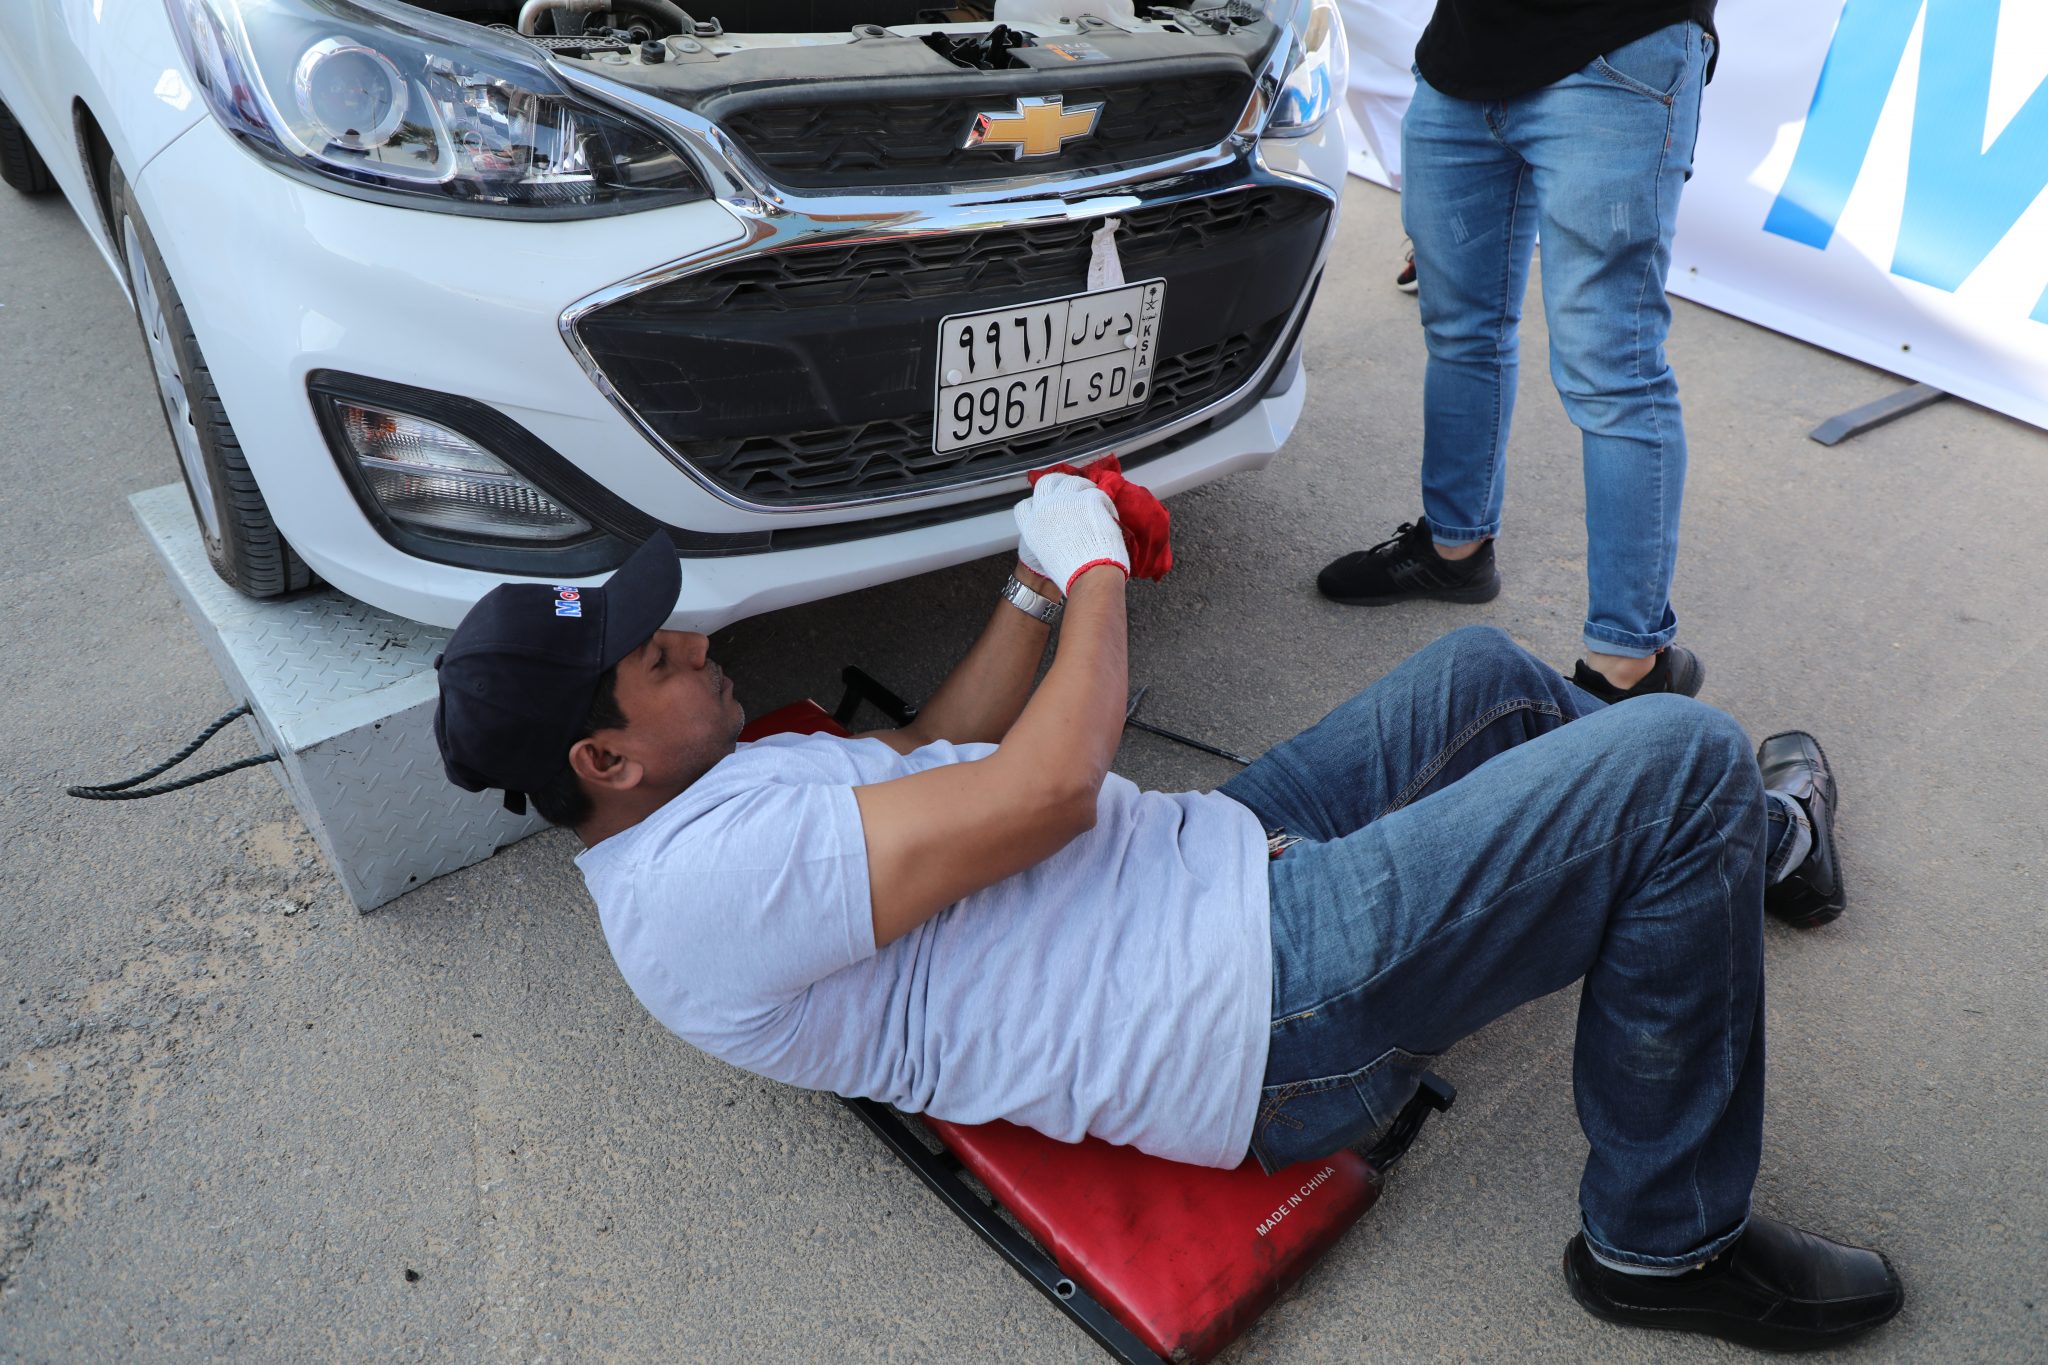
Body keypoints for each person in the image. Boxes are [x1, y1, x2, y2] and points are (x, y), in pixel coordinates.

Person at [433, 479, 1892, 1350]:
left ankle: (1731, 850)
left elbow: (939, 744)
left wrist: (1026, 576)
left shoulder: (703, 794)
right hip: (1264, 1020)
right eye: (656, 658)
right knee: (1673, 755)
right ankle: (1663, 1240)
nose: (693, 640)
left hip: (1206, 864)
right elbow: (1052, 786)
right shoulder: (698, 895)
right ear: (603, 759)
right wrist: (1094, 575)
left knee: (1485, 677)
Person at [1318, 1, 1719, 704]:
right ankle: (1454, 550)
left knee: (1612, 371)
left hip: (1617, 49)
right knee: (1459, 327)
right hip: (1464, 53)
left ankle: (1626, 661)